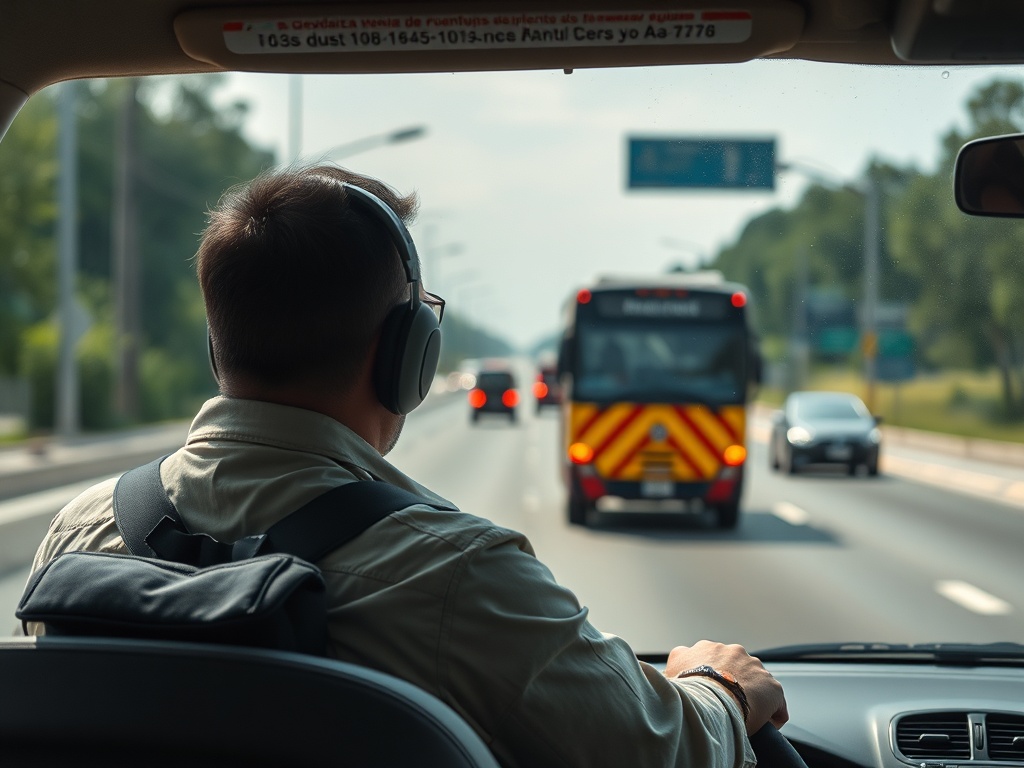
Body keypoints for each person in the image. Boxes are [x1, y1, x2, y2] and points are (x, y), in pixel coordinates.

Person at [25, 165, 787, 767]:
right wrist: (717, 688)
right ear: (406, 355)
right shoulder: (456, 574)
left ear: (218, 345)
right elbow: (658, 754)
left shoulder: (79, 534)